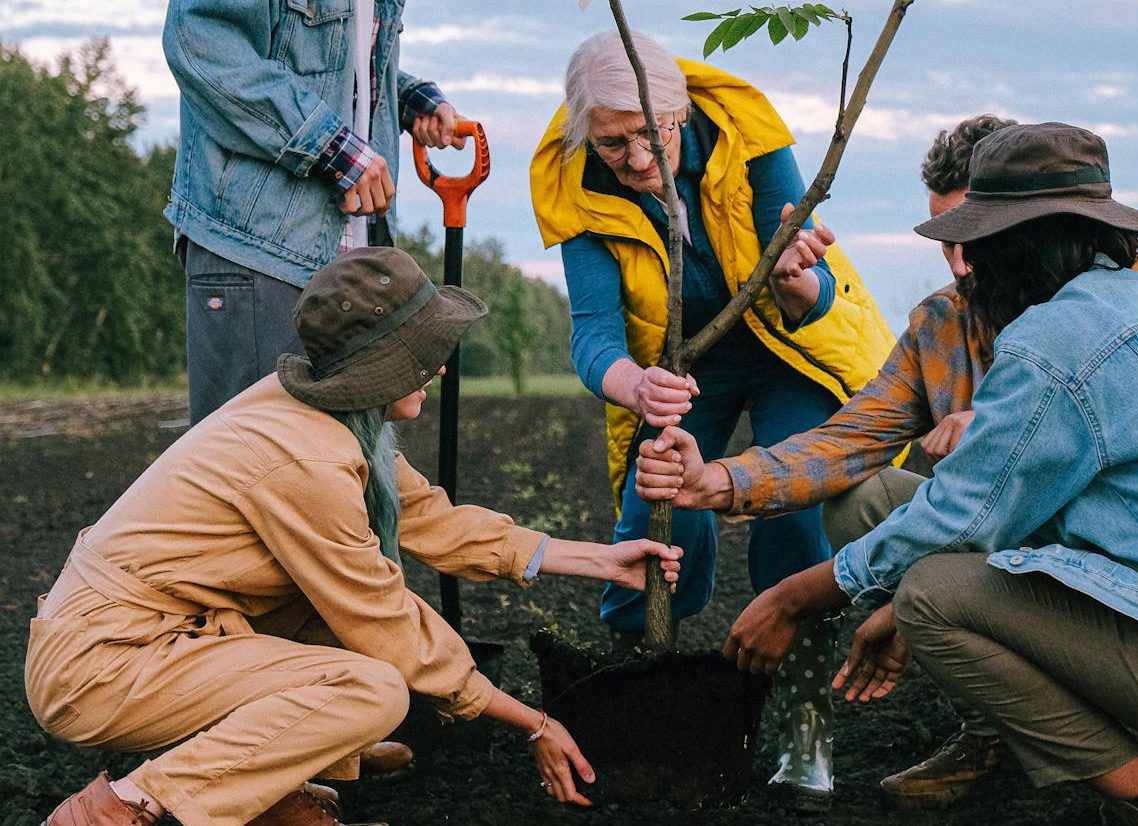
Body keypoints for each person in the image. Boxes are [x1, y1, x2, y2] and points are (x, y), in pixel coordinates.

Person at [677, 122, 1138, 826]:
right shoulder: (1137, 306)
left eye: (975, 244)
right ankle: (1048, 736)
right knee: (902, 538)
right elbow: (857, 440)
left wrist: (795, 598)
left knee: (934, 595)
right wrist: (720, 481)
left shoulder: (1057, 335)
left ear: (1020, 243)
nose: (963, 266)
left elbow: (962, 514)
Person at [27, 247, 683, 826]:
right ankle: (122, 808)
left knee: (327, 622)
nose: (441, 370)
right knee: (371, 687)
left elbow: (428, 516)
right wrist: (530, 719)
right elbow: (384, 620)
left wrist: (602, 561)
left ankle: (272, 793)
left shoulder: (329, 415)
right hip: (102, 664)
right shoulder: (304, 459)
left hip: (170, 631)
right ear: (383, 367)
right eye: (427, 358)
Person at [527, 30, 897, 803]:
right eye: (611, 142)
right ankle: (642, 684)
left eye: (646, 136)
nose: (632, 160)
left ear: (682, 110)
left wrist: (798, 280)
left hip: (788, 350)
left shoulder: (749, 134)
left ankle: (802, 720)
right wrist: (632, 384)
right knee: (656, 507)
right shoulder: (572, 179)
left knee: (793, 505)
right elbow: (593, 331)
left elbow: (813, 290)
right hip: (679, 367)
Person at [162, 0, 467, 425]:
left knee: (344, 460)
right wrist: (330, 147)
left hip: (351, 253)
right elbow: (204, 46)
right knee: (256, 462)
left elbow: (335, 62)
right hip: (259, 247)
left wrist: (405, 97)